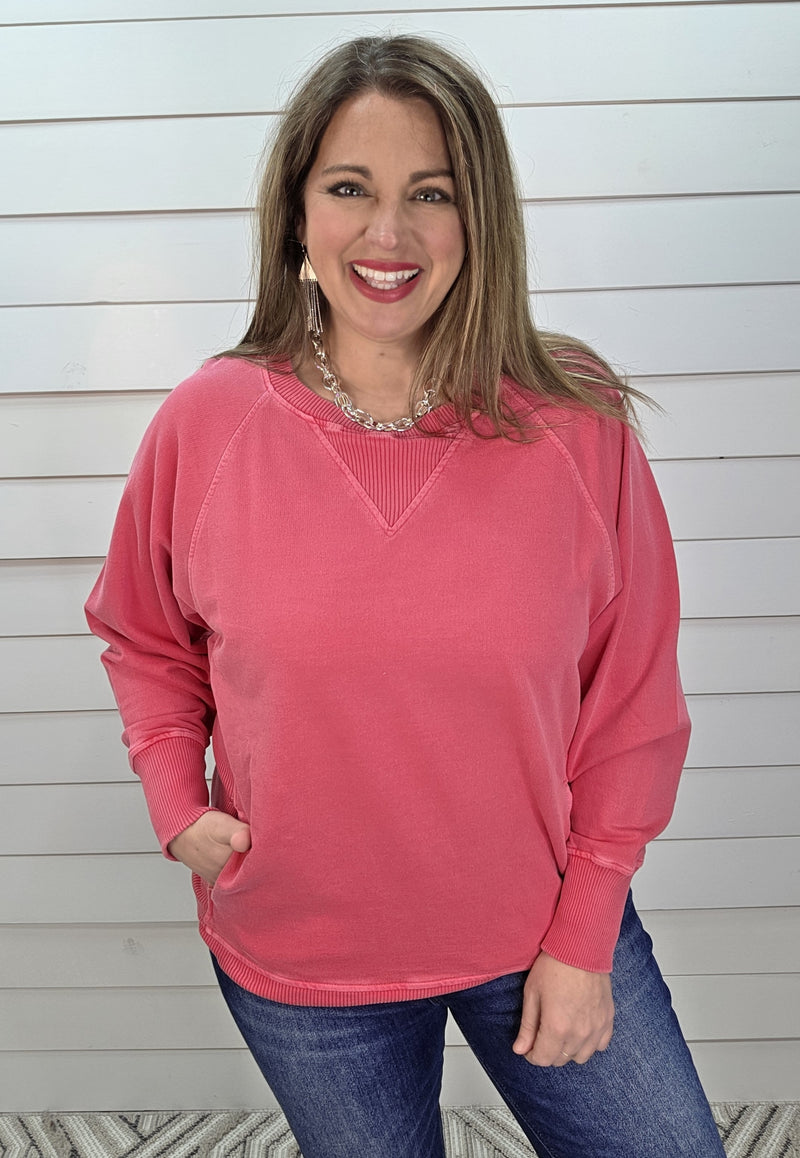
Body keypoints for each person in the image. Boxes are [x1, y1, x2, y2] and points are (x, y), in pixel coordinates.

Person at [85, 34, 726, 1158]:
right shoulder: (209, 421)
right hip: (304, 952)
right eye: (349, 188)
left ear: (480, 221)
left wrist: (585, 932)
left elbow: (632, 698)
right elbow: (144, 634)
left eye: (431, 193)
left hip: (542, 926)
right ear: (297, 215)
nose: (388, 234)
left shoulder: (574, 423)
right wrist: (174, 800)